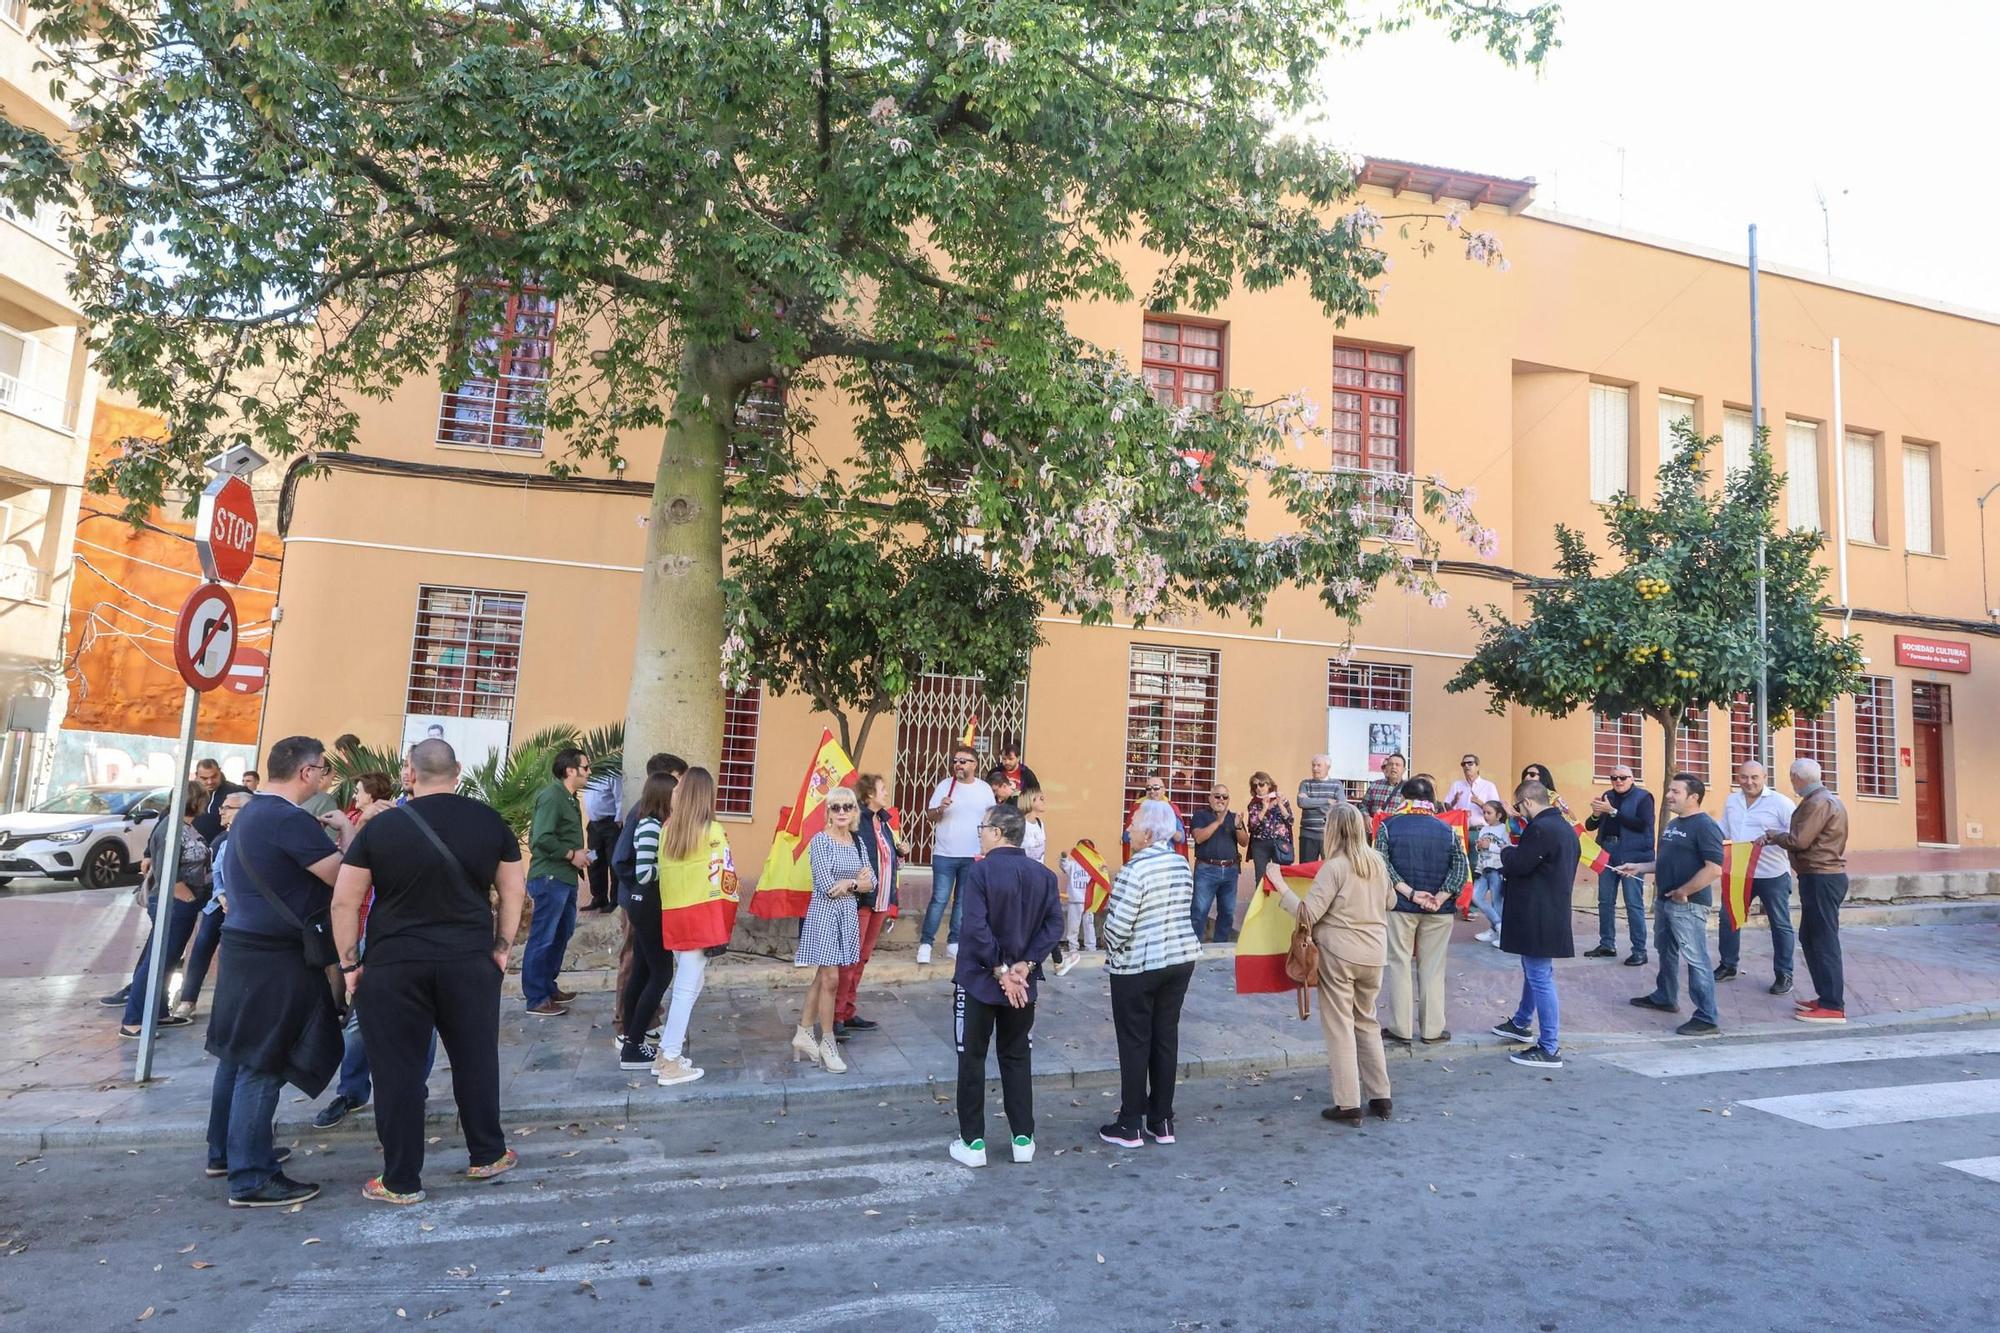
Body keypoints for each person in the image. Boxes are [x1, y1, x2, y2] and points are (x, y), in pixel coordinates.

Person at [332, 738, 525, 1204]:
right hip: (468, 960)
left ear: (409, 775)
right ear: (457, 771)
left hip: (395, 965)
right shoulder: (489, 822)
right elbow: (513, 889)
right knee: (475, 1058)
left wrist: (350, 964)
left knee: (398, 1071)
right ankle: (487, 1153)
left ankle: (400, 1180)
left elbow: (345, 900)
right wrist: (501, 946)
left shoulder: (381, 828)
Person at [204, 736, 347, 1207]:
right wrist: (346, 832)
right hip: (275, 955)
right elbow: (342, 877)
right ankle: (251, 1177)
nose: (324, 778)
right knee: (262, 1064)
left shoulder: (250, 813)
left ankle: (229, 1151)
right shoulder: (287, 819)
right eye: (323, 770)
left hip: (244, 947)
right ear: (306, 772)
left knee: (238, 1053)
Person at [950, 802, 1065, 1167]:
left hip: (981, 981)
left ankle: (973, 1142)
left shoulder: (980, 873)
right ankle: (1023, 1138)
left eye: (983, 827)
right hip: (1022, 984)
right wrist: (1025, 966)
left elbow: (975, 927)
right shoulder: (1043, 876)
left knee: (972, 1058)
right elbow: (1053, 927)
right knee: (1016, 1057)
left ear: (998, 832)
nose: (980, 833)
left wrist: (1002, 970)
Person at [1268, 804, 1394, 1124]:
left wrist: (1279, 884)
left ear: (1332, 830)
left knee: (1340, 1028)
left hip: (1340, 954)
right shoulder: (1377, 862)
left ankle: (1348, 1102)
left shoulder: (1335, 867)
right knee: (1367, 1021)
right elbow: (1390, 901)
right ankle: (1381, 1096)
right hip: (1375, 952)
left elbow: (1308, 915)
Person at [1098, 799, 1201, 1149]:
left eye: (1133, 823)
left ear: (1147, 832)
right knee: (1164, 1038)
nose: (1128, 829)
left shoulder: (1133, 870)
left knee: (1134, 1042)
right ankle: (1162, 1119)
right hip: (1179, 959)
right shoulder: (1180, 865)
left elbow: (1118, 926)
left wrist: (1107, 941)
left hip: (1138, 965)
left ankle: (1129, 1123)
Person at [314, 775, 415, 1130]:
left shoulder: (413, 832)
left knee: (424, 1021)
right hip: (372, 934)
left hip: (411, 938)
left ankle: (411, 1088)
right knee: (359, 1019)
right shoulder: (367, 835)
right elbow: (347, 890)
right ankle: (352, 1090)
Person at [636, 766, 736, 1087]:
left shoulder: (668, 830)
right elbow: (726, 880)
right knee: (685, 988)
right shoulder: (712, 831)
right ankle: (670, 1058)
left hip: (676, 915)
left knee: (690, 983)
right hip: (703, 916)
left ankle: (667, 1052)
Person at [1621, 773, 1724, 1037]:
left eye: (1675, 792)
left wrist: (1683, 892)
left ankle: (1706, 1016)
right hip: (1666, 901)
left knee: (1696, 959)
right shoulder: (1674, 824)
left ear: (1694, 797)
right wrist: (1640, 867)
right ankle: (1665, 996)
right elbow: (1666, 861)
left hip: (1688, 904)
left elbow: (1714, 869)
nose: (1669, 795)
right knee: (1665, 951)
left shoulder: (1705, 826)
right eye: (1669, 790)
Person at [113, 780, 213, 1037]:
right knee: (158, 961)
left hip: (181, 903)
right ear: (197, 801)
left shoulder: (184, 827)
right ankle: (133, 1020)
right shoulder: (172, 828)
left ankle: (158, 1012)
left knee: (167, 962)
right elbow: (167, 871)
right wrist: (188, 899)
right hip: (174, 903)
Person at [1490, 779, 1579, 1068]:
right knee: (1535, 969)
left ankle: (1549, 1046)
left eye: (1519, 806)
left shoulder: (1541, 828)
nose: (1518, 812)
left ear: (1528, 802)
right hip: (1549, 909)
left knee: (1540, 975)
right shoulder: (1564, 827)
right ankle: (1521, 1021)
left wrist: (1504, 850)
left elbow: (1518, 864)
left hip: (1538, 912)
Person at [1374, 776, 1468, 1045]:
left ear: (1404, 798)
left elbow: (1382, 865)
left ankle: (1401, 1028)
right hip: (1439, 909)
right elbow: (1460, 868)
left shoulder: (1388, 827)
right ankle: (1432, 1029)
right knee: (1433, 968)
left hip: (1401, 906)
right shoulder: (1447, 830)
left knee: (1399, 964)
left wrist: (1410, 893)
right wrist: (1438, 897)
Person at [1758, 758, 1850, 1023]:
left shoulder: (1817, 803)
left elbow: (1799, 840)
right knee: (1810, 937)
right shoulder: (1825, 800)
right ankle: (1825, 996)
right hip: (1818, 876)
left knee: (1823, 940)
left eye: (1792, 778)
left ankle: (1833, 1004)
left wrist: (1774, 835)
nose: (1792, 783)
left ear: (1798, 777)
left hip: (1822, 876)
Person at [612, 753, 687, 1048]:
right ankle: (625, 1028)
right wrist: (638, 893)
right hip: (638, 903)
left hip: (644, 901)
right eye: (678, 782)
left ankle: (644, 1025)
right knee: (636, 965)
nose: (681, 790)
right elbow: (624, 862)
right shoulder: (644, 818)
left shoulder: (659, 819)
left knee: (645, 968)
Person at [793, 789, 869, 1072]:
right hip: (824, 915)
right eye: (835, 806)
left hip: (847, 915)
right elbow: (827, 885)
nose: (841, 811)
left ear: (854, 811)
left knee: (822, 978)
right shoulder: (820, 841)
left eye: (847, 806)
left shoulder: (857, 842)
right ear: (828, 811)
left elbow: (870, 880)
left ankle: (803, 1033)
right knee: (831, 980)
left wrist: (849, 884)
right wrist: (854, 882)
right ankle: (827, 1042)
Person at [521, 747, 591, 1016]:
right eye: (585, 767)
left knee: (561, 934)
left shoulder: (569, 798)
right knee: (543, 936)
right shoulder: (552, 796)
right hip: (550, 877)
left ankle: (548, 986)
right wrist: (571, 854)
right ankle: (536, 997)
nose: (588, 772)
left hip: (565, 877)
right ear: (570, 770)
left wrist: (579, 856)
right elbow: (541, 838)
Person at [1719, 761, 1798, 993]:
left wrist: (1773, 836)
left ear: (1764, 776)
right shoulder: (1732, 801)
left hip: (1772, 872)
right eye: (1744, 777)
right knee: (1729, 918)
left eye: (1754, 777)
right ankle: (1728, 965)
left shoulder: (1781, 803)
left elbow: (1795, 833)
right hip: (1739, 870)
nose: (1749, 782)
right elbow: (1724, 828)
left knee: (1780, 923)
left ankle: (1784, 974)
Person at [837, 773, 904, 1036]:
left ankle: (849, 1011)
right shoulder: (859, 821)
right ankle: (836, 1016)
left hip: (881, 899)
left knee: (863, 958)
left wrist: (899, 853)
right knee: (850, 959)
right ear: (869, 795)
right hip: (863, 900)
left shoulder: (883, 822)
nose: (886, 793)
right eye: (882, 789)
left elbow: (885, 857)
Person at [175, 790, 252, 1018]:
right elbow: (215, 870)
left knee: (235, 956)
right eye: (223, 807)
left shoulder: (253, 837)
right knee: (203, 945)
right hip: (218, 904)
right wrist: (221, 895)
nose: (221, 811)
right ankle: (188, 999)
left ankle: (231, 1005)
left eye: (228, 807)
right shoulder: (222, 838)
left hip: (243, 906)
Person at [918, 747, 995, 966]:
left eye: (964, 761)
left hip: (973, 854)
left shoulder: (984, 789)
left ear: (975, 765)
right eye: (956, 761)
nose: (959, 764)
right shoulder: (945, 786)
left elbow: (991, 819)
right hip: (945, 853)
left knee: (963, 901)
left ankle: (954, 942)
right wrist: (940, 808)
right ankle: (926, 943)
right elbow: (930, 816)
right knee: (939, 899)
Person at [1583, 765, 1654, 967]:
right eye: (1614, 777)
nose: (1618, 781)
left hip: (1631, 854)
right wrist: (1597, 813)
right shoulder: (1607, 795)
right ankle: (1607, 944)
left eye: (1623, 777)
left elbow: (1642, 825)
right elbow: (1590, 825)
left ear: (1632, 778)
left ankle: (1639, 950)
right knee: (1605, 901)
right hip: (1607, 851)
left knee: (1633, 903)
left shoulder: (1643, 797)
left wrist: (1612, 811)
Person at [1188, 782, 1244, 944]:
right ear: (1210, 798)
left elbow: (1244, 842)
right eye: (1217, 796)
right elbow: (1199, 837)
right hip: (1207, 870)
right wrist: (1218, 822)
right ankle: (1194, 947)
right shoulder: (1200, 816)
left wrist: (1239, 827)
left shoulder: (1234, 817)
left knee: (1227, 912)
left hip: (1230, 870)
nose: (1221, 800)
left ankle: (1220, 945)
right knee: (1199, 912)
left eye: (1224, 797)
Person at [581, 766, 624, 913]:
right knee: (593, 861)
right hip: (594, 826)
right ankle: (598, 898)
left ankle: (615, 901)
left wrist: (618, 821)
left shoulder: (612, 773)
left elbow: (619, 798)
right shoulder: (589, 777)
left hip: (610, 824)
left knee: (613, 862)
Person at [1243, 772, 1294, 890]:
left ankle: (1280, 906)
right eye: (1255, 786)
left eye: (1261, 784)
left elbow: (1290, 821)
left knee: (1282, 876)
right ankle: (1261, 907)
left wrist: (1280, 805)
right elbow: (1252, 826)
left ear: (1269, 784)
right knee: (1261, 877)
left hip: (1280, 843)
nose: (1258, 788)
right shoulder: (1254, 803)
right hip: (1260, 843)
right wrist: (1265, 808)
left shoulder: (1280, 798)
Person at [1121, 774, 1188, 862]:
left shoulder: (1171, 809)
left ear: (1164, 790)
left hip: (1165, 861)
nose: (1152, 791)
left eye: (1156, 788)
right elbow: (1125, 837)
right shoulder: (1138, 807)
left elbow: (1181, 838)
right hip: (1142, 860)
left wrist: (1167, 829)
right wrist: (1141, 829)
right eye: (1148, 788)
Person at [1470, 799, 1510, 946]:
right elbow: (1480, 850)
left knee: (1497, 901)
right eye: (1484, 812)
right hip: (1484, 869)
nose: (1486, 816)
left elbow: (1508, 848)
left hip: (1497, 869)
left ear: (1499, 815)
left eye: (1489, 813)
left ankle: (1501, 932)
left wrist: (1490, 846)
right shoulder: (1484, 829)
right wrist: (1479, 847)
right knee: (1475, 896)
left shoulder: (1504, 829)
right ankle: (1498, 926)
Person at [1295, 756, 1344, 863]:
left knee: (1330, 870)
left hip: (1329, 836)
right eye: (1313, 765)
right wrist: (1327, 801)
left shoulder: (1337, 785)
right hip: (1307, 835)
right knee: (1306, 871)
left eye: (1318, 765)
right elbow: (1302, 802)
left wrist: (1311, 802)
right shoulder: (1305, 784)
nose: (1315, 768)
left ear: (1328, 767)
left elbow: (1340, 807)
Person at [1061, 838, 1102, 959]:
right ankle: (1073, 946)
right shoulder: (1073, 865)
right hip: (1075, 900)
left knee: (1089, 925)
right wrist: (1064, 858)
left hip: (1089, 901)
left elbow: (1101, 876)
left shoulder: (1094, 866)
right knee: (1073, 925)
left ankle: (1091, 947)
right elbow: (1064, 865)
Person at [191, 758, 249, 842]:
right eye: (204, 778)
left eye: (214, 776)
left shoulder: (236, 792)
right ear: (196, 775)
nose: (210, 782)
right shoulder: (190, 793)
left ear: (220, 771)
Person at [1444, 754, 1502, 829]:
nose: (1466, 766)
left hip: (1481, 830)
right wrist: (1454, 801)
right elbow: (1446, 809)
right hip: (1460, 830)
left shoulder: (1489, 786)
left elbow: (1496, 811)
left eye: (1470, 763)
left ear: (1477, 767)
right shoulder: (1456, 785)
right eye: (1463, 764)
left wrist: (1480, 803)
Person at [1360, 753, 1407, 821]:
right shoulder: (1375, 785)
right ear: (1386, 767)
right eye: (1390, 764)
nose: (1394, 767)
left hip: (1396, 829)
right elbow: (1363, 806)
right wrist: (1366, 817)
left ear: (1404, 770)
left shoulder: (1408, 788)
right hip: (1375, 828)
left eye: (1397, 765)